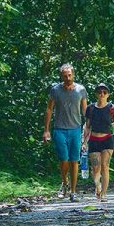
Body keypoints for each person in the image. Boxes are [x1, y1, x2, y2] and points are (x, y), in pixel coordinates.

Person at [43, 63, 88, 202]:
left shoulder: (81, 90)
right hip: (59, 128)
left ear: (73, 74)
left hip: (75, 128)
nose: (68, 77)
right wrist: (46, 130)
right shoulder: (55, 90)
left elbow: (85, 110)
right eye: (65, 75)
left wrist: (88, 128)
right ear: (61, 76)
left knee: (74, 161)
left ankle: (73, 191)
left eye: (69, 75)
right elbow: (49, 109)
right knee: (64, 159)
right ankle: (64, 182)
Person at [83, 83, 114, 202]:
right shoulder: (90, 108)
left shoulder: (112, 108)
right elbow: (87, 126)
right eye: (100, 92)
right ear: (96, 94)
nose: (102, 94)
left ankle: (104, 193)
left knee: (105, 166)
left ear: (108, 94)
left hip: (107, 139)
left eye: (104, 92)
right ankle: (97, 185)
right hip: (94, 139)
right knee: (95, 167)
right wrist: (84, 142)